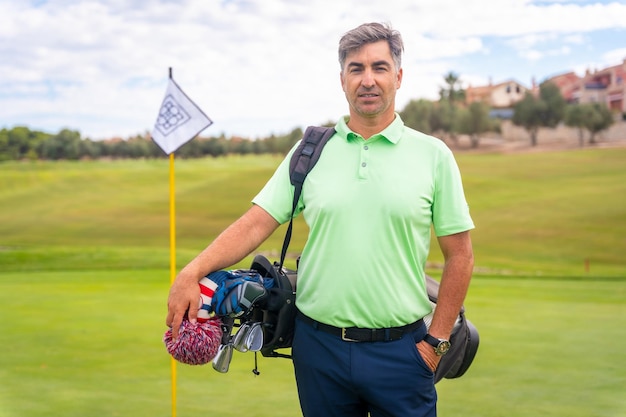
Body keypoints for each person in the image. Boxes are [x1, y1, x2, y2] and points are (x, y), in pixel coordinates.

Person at [166, 22, 474, 417]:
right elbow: (257, 222)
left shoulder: (433, 155)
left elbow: (460, 255)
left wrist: (436, 344)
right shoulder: (310, 151)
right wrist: (189, 273)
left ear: (398, 76)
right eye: (356, 68)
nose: (368, 80)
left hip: (402, 352)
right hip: (318, 350)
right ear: (342, 80)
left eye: (379, 67)